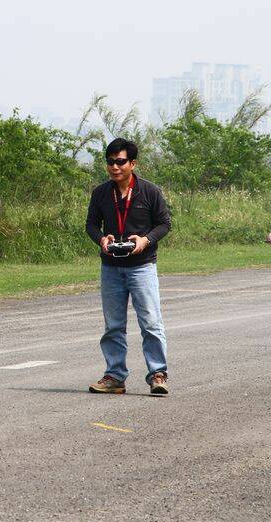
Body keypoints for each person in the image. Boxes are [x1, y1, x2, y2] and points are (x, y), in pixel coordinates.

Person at [85, 138, 171, 395]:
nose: (114, 167)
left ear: (133, 163)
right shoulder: (101, 193)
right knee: (113, 325)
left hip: (142, 266)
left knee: (151, 322)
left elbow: (164, 224)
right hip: (111, 267)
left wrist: (145, 240)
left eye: (120, 161)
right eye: (110, 162)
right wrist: (102, 239)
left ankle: (157, 374)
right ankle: (114, 376)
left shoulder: (150, 191)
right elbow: (90, 224)